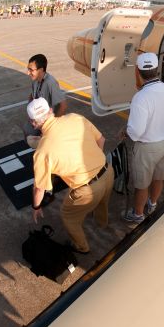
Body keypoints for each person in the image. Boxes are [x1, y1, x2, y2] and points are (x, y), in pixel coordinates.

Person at [28, 98, 113, 254]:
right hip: (108, 172)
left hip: (87, 190)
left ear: (33, 123)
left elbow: (39, 188)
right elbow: (101, 139)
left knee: (68, 217)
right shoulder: (75, 117)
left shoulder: (42, 152)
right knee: (102, 202)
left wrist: (36, 206)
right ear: (51, 111)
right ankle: (102, 223)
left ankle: (82, 247)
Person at [122, 53, 164, 224]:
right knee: (159, 178)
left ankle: (138, 214)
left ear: (138, 71)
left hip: (147, 148)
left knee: (141, 185)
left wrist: (126, 131)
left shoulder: (141, 97)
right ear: (156, 70)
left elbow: (136, 131)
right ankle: (152, 204)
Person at [23, 54, 67, 148]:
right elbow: (32, 95)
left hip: (47, 121)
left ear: (41, 69)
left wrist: (53, 127)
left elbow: (62, 105)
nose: (28, 73)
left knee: (30, 134)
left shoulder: (51, 83)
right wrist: (30, 112)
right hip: (38, 118)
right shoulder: (35, 80)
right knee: (27, 129)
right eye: (28, 69)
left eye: (31, 70)